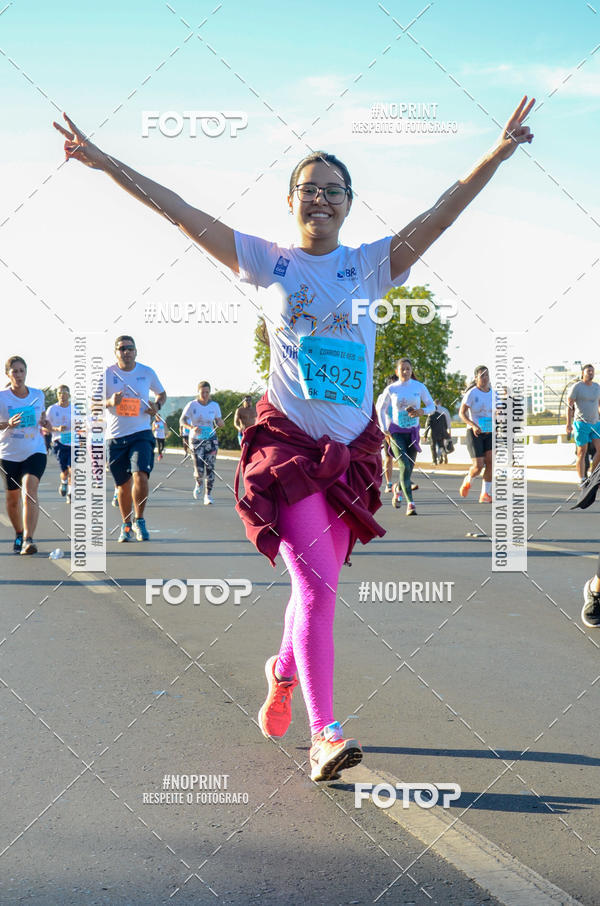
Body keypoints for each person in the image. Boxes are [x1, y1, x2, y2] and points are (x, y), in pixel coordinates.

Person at [54, 96, 534, 781]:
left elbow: (444, 210)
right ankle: (325, 732)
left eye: (334, 192)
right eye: (310, 190)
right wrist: (103, 162)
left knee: (321, 583)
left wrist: (496, 152)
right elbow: (179, 210)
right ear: (290, 201)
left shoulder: (372, 264)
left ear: (349, 203)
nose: (322, 200)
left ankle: (283, 670)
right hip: (292, 452)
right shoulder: (267, 261)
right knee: (316, 591)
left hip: (354, 453)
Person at [103, 336, 166, 542]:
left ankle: (139, 520)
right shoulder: (107, 374)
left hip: (141, 432)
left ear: (136, 351)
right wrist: (110, 400)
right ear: (116, 352)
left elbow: (161, 394)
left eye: (130, 348)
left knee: (140, 475)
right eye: (122, 349)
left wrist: (157, 406)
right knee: (123, 485)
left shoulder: (146, 372)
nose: (126, 352)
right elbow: (95, 402)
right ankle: (126, 524)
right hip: (115, 436)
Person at [0, 356, 50, 554]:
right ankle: (19, 533)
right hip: (9, 453)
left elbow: (42, 417)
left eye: (22, 371)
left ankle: (29, 539)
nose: (19, 375)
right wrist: (7, 424)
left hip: (34, 450)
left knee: (29, 490)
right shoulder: (2, 397)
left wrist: (45, 423)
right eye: (15, 371)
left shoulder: (37, 394)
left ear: (26, 372)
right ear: (8, 374)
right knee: (12, 500)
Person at [376, 358, 434, 515]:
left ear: (411, 370)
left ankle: (397, 488)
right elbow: (381, 408)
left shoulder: (419, 387)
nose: (405, 372)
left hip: (413, 432)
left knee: (409, 468)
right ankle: (410, 503)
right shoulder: (392, 389)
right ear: (397, 371)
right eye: (402, 369)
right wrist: (384, 428)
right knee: (404, 465)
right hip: (396, 433)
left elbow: (432, 406)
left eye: (408, 369)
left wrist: (422, 411)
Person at [181, 382, 224, 504]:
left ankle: (208, 495)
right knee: (199, 470)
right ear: (198, 392)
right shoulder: (192, 405)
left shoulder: (214, 406)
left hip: (211, 439)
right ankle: (198, 482)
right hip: (196, 440)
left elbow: (218, 420)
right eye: (202, 392)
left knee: (210, 467)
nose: (205, 395)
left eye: (207, 392)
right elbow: (182, 420)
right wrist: (191, 427)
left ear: (209, 393)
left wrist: (220, 423)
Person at [459, 366, 494, 502]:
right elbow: (462, 413)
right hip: (474, 433)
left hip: (489, 431)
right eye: (482, 376)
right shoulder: (472, 393)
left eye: (487, 375)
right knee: (478, 466)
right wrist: (473, 425)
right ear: (476, 378)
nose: (485, 378)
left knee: (491, 462)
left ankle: (485, 494)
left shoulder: (493, 394)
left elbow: (497, 412)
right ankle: (468, 480)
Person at [566, 364, 600, 488]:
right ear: (583, 373)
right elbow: (569, 406)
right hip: (581, 423)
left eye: (592, 371)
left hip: (596, 423)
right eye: (588, 371)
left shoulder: (597, 387)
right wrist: (568, 424)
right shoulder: (577, 387)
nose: (591, 373)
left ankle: (593, 475)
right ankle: (582, 479)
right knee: (582, 452)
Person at [46, 384, 72, 503]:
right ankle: (64, 482)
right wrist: (57, 429)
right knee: (64, 471)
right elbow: (45, 427)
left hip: (73, 442)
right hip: (59, 442)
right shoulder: (52, 409)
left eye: (64, 392)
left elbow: (83, 426)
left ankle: (71, 492)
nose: (61, 395)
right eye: (59, 393)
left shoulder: (75, 409)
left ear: (69, 394)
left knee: (73, 469)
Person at [375, 376, 396, 492]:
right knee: (389, 457)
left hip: (402, 430)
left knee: (404, 458)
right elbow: (378, 413)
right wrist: (382, 430)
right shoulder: (382, 397)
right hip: (387, 430)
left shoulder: (402, 396)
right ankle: (389, 483)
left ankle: (404, 481)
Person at [424, 400, 451, 465]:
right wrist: (445, 432)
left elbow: (427, 427)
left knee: (433, 447)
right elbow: (446, 425)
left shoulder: (431, 416)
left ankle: (434, 461)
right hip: (442, 432)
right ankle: (445, 456)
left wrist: (425, 436)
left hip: (434, 433)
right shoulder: (442, 415)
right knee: (441, 445)